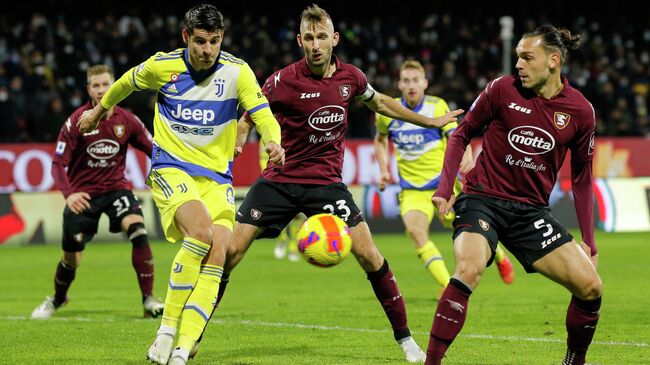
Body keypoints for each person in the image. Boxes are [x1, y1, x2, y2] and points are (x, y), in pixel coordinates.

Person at [192, 4, 462, 363]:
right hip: (280, 180)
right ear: (300, 41)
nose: (315, 44)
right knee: (229, 253)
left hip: (326, 185)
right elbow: (249, 115)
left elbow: (380, 102)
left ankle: (406, 339)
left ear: (334, 39)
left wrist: (428, 122)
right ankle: (190, 335)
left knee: (370, 254)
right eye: (309, 37)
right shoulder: (282, 80)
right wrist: (241, 138)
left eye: (322, 37)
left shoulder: (351, 78)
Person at [76, 5, 284, 365]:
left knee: (220, 252)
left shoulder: (238, 72)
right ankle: (166, 330)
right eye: (201, 41)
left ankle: (183, 350)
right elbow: (126, 81)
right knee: (202, 233)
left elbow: (262, 112)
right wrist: (97, 111)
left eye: (215, 41)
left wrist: (273, 140)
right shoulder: (163, 65)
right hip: (172, 168)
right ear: (186, 37)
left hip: (217, 176)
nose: (208, 50)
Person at [425, 25, 602, 365]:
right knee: (470, 266)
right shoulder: (501, 89)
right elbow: (460, 134)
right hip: (482, 199)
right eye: (518, 56)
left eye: (526, 57)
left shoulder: (580, 112)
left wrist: (589, 240)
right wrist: (445, 190)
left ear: (553, 61)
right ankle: (431, 362)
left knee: (591, 288)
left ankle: (574, 361)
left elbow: (582, 178)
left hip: (530, 214)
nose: (518, 64)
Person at [30, 64, 164, 320]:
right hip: (82, 197)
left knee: (138, 230)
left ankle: (148, 300)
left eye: (106, 84)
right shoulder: (75, 122)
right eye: (96, 85)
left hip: (116, 190)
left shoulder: (128, 120)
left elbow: (154, 150)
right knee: (72, 259)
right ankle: (58, 299)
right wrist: (69, 194)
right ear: (88, 89)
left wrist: (166, 171)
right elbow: (58, 164)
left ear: (115, 86)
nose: (102, 90)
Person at [373, 60, 515, 298]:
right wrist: (384, 169)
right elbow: (379, 140)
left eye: (415, 80)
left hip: (444, 186)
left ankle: (499, 255)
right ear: (398, 84)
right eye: (406, 81)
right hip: (412, 191)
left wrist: (466, 158)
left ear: (425, 83)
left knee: (469, 229)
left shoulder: (437, 107)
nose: (411, 86)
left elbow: (459, 136)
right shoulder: (389, 113)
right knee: (416, 232)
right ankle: (448, 285)